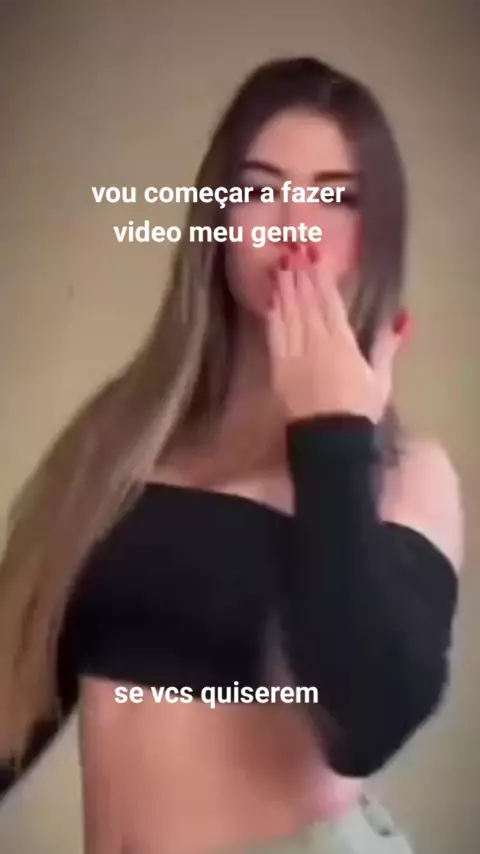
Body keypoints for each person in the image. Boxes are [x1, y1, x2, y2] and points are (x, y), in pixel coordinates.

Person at [0, 56, 463, 854]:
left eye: (336, 196)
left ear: (376, 234)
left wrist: (331, 434)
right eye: (260, 188)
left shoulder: (407, 473)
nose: (294, 223)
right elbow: (16, 685)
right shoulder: (118, 439)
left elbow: (368, 720)